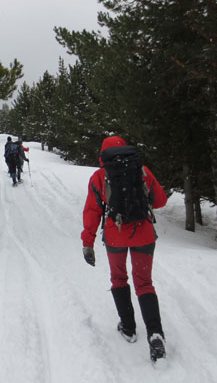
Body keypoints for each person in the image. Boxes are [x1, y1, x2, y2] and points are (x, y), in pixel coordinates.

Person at [81, 136, 168, 362]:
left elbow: (92, 211)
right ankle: (155, 333)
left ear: (103, 155)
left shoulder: (99, 176)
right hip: (144, 234)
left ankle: (128, 327)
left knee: (119, 279)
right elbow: (160, 201)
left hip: (115, 236)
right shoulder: (143, 171)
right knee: (144, 283)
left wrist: (87, 242)